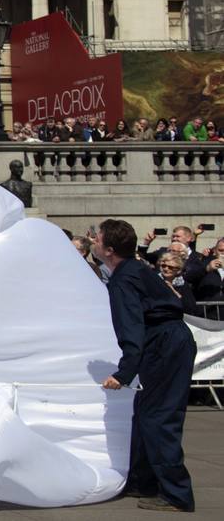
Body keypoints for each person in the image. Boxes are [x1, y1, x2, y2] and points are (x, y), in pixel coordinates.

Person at [94, 218, 196, 513]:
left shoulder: (124, 279)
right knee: (145, 414)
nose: (93, 242)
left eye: (97, 239)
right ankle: (144, 481)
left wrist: (124, 373)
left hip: (165, 344)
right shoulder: (134, 269)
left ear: (109, 249)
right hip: (168, 340)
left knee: (159, 417)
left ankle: (176, 494)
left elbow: (131, 328)